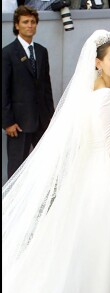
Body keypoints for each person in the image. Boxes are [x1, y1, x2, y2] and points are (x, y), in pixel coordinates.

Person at [2, 29, 110, 293]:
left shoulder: (96, 92)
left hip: (94, 177)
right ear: (98, 63)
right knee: (107, 245)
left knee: (90, 245)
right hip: (108, 182)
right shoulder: (108, 97)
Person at [2, 5, 55, 179]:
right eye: (25, 22)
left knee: (44, 165)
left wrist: (51, 119)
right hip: (18, 123)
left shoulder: (41, 51)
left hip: (42, 121)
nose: (30, 25)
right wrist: (7, 122)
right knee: (17, 168)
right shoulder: (7, 53)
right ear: (17, 25)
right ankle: (13, 205)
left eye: (33, 22)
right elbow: (3, 90)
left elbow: (47, 89)